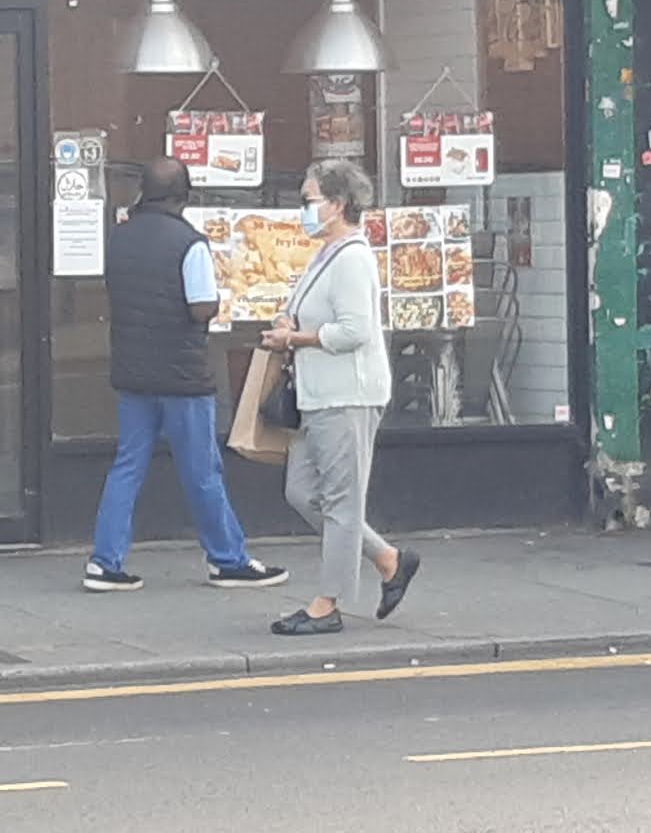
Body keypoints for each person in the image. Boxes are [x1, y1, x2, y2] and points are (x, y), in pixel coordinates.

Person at [84, 157, 287, 594]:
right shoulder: (189, 243)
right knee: (202, 471)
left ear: (143, 191)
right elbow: (200, 307)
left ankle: (105, 561)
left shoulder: (119, 238)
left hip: (134, 370)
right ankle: (228, 559)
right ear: (185, 196)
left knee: (128, 465)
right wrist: (218, 299)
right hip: (181, 374)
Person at [261, 160, 419, 635]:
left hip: (348, 394)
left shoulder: (352, 258)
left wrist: (298, 339)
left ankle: (327, 604)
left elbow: (355, 331)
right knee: (302, 492)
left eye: (310, 200)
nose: (304, 210)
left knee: (342, 503)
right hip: (318, 394)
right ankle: (389, 559)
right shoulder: (325, 254)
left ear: (338, 204)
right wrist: (289, 325)